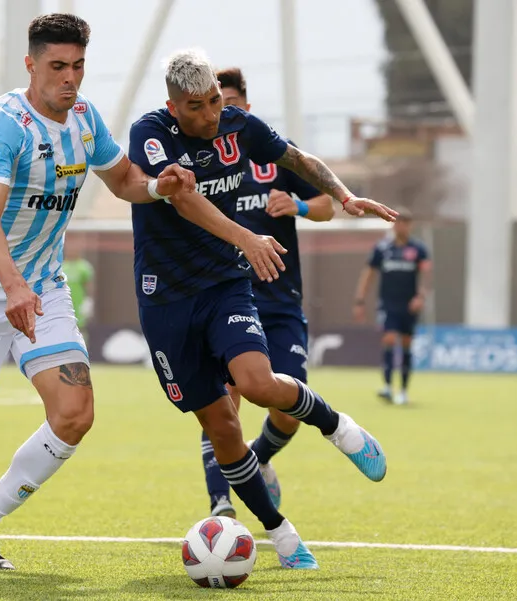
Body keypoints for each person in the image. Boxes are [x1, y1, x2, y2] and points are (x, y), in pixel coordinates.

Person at [0, 14, 218, 571]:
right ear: (31, 65)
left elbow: (122, 180)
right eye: (57, 66)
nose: (69, 78)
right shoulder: (3, 124)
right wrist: (11, 286)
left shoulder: (84, 119)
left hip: (43, 291)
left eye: (78, 66)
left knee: (75, 412)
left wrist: (157, 186)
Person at [128, 49, 398, 569]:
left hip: (225, 286)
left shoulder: (237, 125)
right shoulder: (151, 133)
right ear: (173, 105)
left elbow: (298, 159)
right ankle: (282, 532)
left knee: (257, 381)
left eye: (214, 102)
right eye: (197, 107)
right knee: (222, 426)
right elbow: (183, 198)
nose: (210, 115)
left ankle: (339, 427)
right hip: (164, 299)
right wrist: (248, 237)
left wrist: (343, 195)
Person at [198, 69, 334, 560]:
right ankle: (221, 507)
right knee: (224, 405)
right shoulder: (200, 161)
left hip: (280, 302)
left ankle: (256, 462)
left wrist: (296, 204)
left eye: (228, 103)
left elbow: (327, 207)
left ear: (245, 108)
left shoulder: (274, 152)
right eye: (211, 104)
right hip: (226, 300)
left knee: (287, 408)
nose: (219, 114)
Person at [353, 210, 431, 405]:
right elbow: (368, 274)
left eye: (405, 222)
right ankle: (387, 387)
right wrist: (360, 300)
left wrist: (420, 297)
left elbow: (426, 276)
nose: (401, 226)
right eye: (398, 222)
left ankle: (403, 391)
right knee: (388, 339)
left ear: (410, 225)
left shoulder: (418, 249)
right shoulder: (382, 248)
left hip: (409, 305)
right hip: (388, 304)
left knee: (406, 344)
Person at [62, 242, 95, 340]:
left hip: (79, 302)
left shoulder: (84, 267)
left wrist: (88, 301)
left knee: (80, 327)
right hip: (65, 302)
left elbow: (89, 285)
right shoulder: (62, 266)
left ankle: (83, 348)